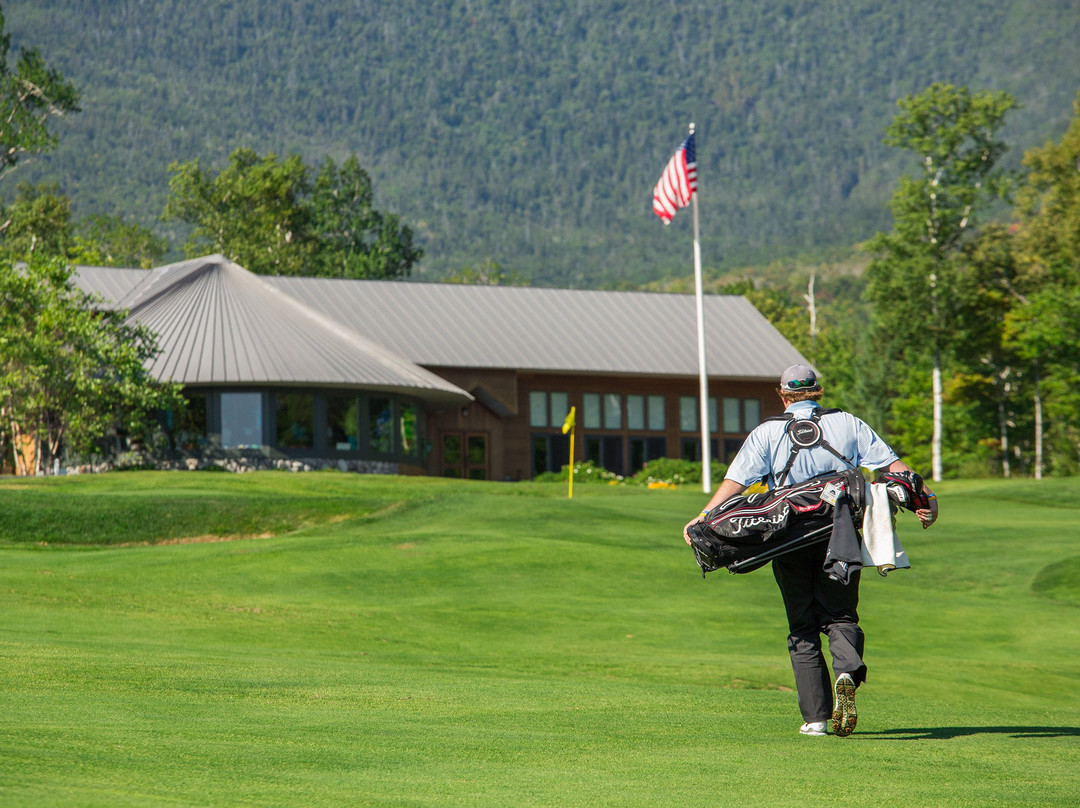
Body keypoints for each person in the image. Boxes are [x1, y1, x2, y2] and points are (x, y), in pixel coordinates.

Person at [683, 364, 938, 737]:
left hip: (787, 537)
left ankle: (816, 718)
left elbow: (736, 483)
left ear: (783, 396)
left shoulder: (766, 431)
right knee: (840, 613)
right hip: (842, 534)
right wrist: (926, 499)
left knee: (802, 626)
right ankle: (847, 672)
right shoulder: (849, 423)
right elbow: (896, 470)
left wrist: (702, 517)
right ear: (818, 392)